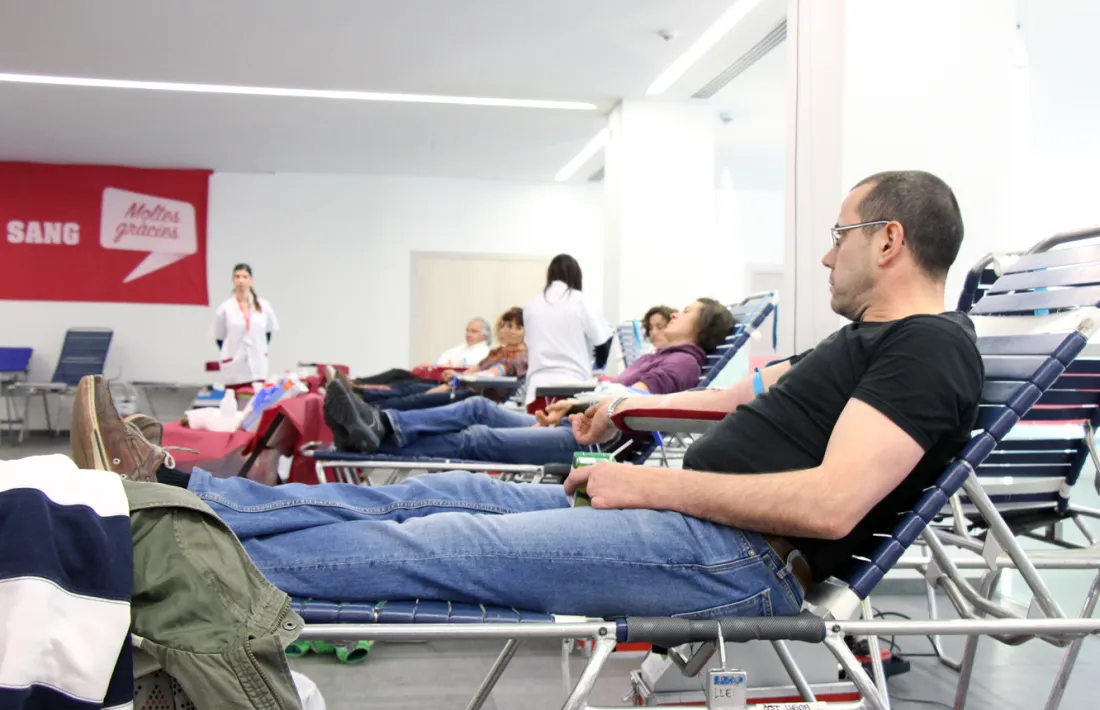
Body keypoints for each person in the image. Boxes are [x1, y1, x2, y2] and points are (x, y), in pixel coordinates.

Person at [73, 170, 984, 621]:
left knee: (441, 542)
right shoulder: (866, 341)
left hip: (738, 561)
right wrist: (628, 410)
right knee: (434, 494)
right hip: (694, 526)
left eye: (840, 234)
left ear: (890, 239)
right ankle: (182, 493)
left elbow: (830, 506)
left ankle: (135, 567)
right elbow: (744, 405)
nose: (827, 252)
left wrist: (650, 482)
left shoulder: (931, 348)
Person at [323, 299, 735, 464]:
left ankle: (378, 437)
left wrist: (575, 406)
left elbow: (629, 401)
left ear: (703, 326)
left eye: (688, 311)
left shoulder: (683, 363)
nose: (678, 312)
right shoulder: (661, 356)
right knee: (476, 407)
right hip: (578, 423)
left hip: (591, 442)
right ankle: (381, 427)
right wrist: (572, 405)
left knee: (478, 437)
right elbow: (616, 394)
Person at [334, 308, 527, 421]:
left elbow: (493, 374)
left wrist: (456, 381)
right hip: (462, 388)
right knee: (410, 387)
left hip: (476, 398)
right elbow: (475, 370)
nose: (510, 331)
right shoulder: (497, 351)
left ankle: (366, 411)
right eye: (507, 325)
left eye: (517, 327)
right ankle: (360, 394)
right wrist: (453, 377)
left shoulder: (521, 356)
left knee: (415, 399)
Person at [522, 254, 613, 405]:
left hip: (536, 387)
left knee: (535, 426)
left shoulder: (531, 303)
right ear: (577, 275)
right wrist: (598, 367)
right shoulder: (580, 300)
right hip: (572, 385)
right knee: (569, 428)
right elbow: (603, 342)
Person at [353, 317, 493, 387]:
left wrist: (438, 365)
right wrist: (431, 365)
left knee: (398, 379)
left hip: (442, 382)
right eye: (467, 330)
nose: (468, 334)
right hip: (433, 375)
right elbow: (441, 361)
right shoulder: (461, 347)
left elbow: (465, 367)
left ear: (485, 335)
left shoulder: (484, 352)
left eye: (473, 331)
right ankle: (356, 383)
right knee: (397, 373)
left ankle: (360, 386)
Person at [213, 263, 279, 387]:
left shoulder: (264, 306)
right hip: (234, 365)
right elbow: (219, 338)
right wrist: (232, 353)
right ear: (233, 280)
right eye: (237, 277)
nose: (241, 281)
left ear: (251, 280)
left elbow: (268, 334)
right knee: (234, 403)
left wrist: (257, 349)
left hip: (257, 366)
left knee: (256, 403)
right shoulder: (225, 308)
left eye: (244, 277)